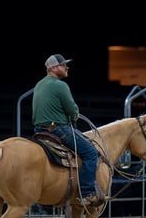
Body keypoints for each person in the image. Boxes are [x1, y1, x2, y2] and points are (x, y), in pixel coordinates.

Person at [32, 54, 104, 206]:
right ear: (54, 68)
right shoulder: (61, 85)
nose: (67, 67)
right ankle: (87, 193)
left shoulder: (39, 84)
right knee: (91, 153)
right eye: (63, 65)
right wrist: (75, 115)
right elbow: (72, 110)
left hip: (40, 130)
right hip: (58, 129)